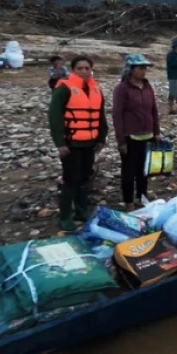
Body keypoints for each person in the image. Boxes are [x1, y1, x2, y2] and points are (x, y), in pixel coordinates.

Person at [49, 55, 108, 232]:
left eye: (87, 68)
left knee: (84, 178)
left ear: (91, 70)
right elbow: (55, 117)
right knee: (70, 180)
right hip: (71, 143)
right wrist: (60, 143)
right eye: (79, 68)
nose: (84, 71)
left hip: (89, 143)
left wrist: (101, 138)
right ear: (73, 70)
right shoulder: (64, 88)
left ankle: (82, 212)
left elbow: (100, 116)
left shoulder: (96, 89)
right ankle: (65, 217)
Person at [113, 53, 162, 212]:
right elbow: (117, 114)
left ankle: (142, 197)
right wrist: (121, 140)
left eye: (145, 68)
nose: (144, 71)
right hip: (131, 137)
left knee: (143, 170)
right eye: (140, 68)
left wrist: (156, 131)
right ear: (131, 69)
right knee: (128, 171)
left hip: (147, 135)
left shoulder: (147, 86)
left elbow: (153, 110)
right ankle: (129, 202)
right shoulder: (122, 88)